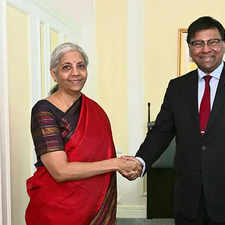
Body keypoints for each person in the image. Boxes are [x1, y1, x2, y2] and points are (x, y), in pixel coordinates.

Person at [125, 16, 225, 225]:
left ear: (223, 45)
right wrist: (141, 161)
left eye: (212, 42)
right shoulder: (177, 87)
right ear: (190, 48)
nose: (205, 49)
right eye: (198, 43)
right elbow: (161, 132)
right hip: (188, 197)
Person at [25, 42, 141, 225]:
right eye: (66, 67)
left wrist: (125, 165)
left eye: (81, 66)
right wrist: (116, 164)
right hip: (55, 210)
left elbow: (103, 154)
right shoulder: (44, 111)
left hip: (94, 206)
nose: (75, 73)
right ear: (54, 74)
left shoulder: (95, 110)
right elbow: (60, 171)